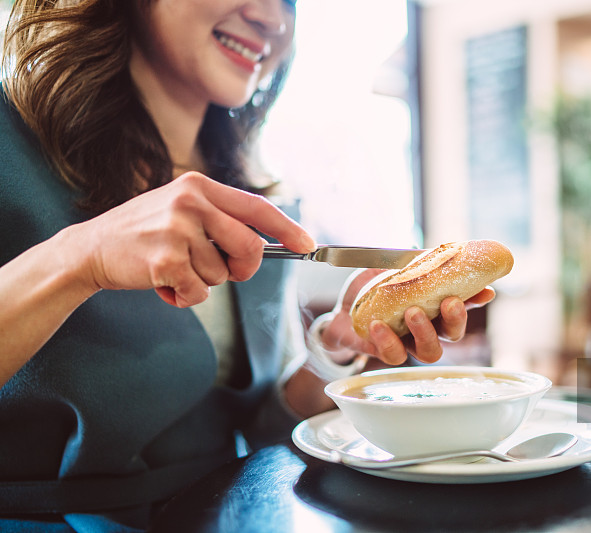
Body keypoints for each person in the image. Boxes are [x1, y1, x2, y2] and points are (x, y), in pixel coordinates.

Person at [0, 1, 495, 531]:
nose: (272, 18)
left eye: (289, 0)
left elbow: (263, 428)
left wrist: (338, 348)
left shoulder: (260, 200)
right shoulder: (11, 146)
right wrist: (85, 256)